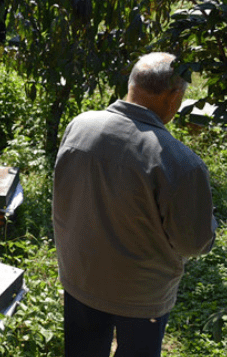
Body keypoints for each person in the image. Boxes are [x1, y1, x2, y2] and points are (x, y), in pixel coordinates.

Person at [53, 52, 217, 357]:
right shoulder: (180, 162)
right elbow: (194, 243)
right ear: (174, 98)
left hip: (81, 277)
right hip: (141, 296)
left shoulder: (80, 125)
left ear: (131, 84)